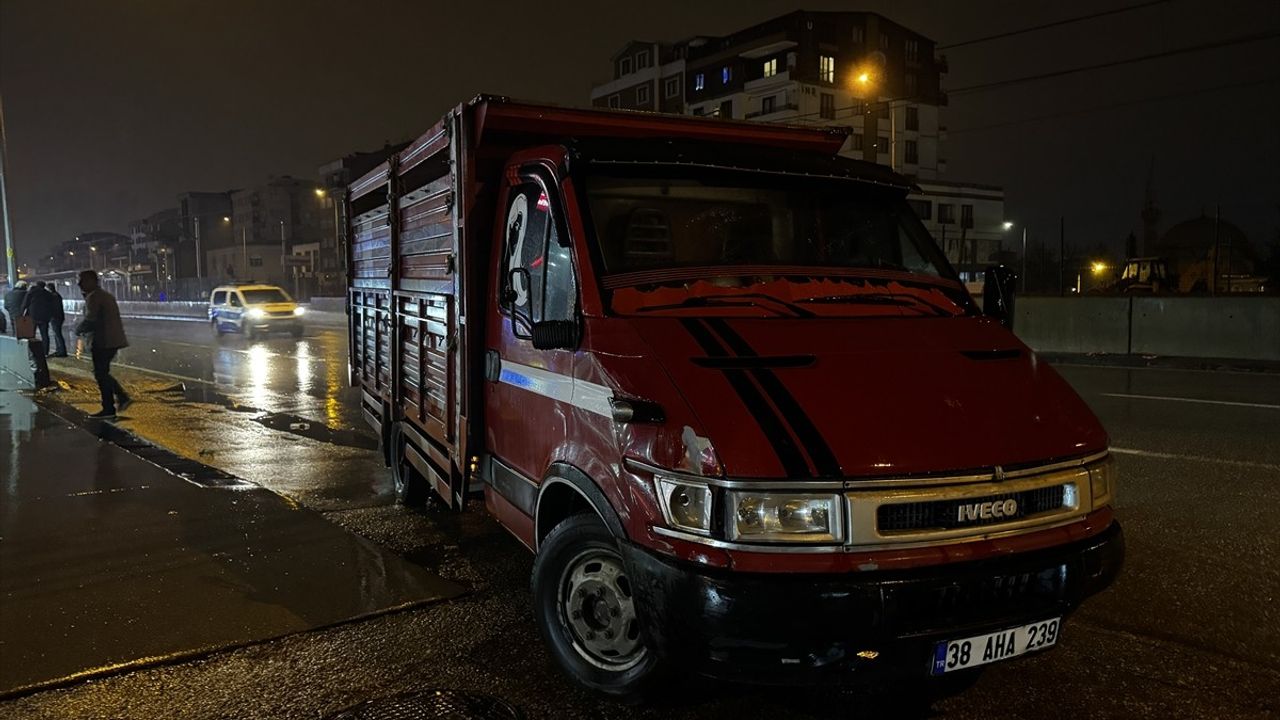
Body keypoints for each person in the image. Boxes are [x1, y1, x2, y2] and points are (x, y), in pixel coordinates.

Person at [75, 270, 131, 419]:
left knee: (101, 374)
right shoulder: (104, 295)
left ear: (92, 281)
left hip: (103, 341)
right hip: (112, 340)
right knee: (102, 373)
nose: (79, 284)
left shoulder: (94, 297)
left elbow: (91, 320)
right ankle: (117, 400)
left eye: (82, 281)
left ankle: (111, 405)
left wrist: (78, 329)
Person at [21, 281, 59, 352]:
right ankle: (45, 352)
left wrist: (21, 314)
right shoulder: (47, 294)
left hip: (33, 316)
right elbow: (52, 305)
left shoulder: (31, 292)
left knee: (31, 335)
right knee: (44, 335)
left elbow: (25, 303)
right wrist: (50, 315)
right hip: (44, 318)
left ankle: (32, 351)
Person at [47, 283, 68, 356]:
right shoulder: (57, 295)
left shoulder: (53, 296)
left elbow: (54, 308)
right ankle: (59, 350)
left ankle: (62, 351)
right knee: (57, 334)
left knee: (58, 334)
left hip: (56, 317)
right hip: (58, 317)